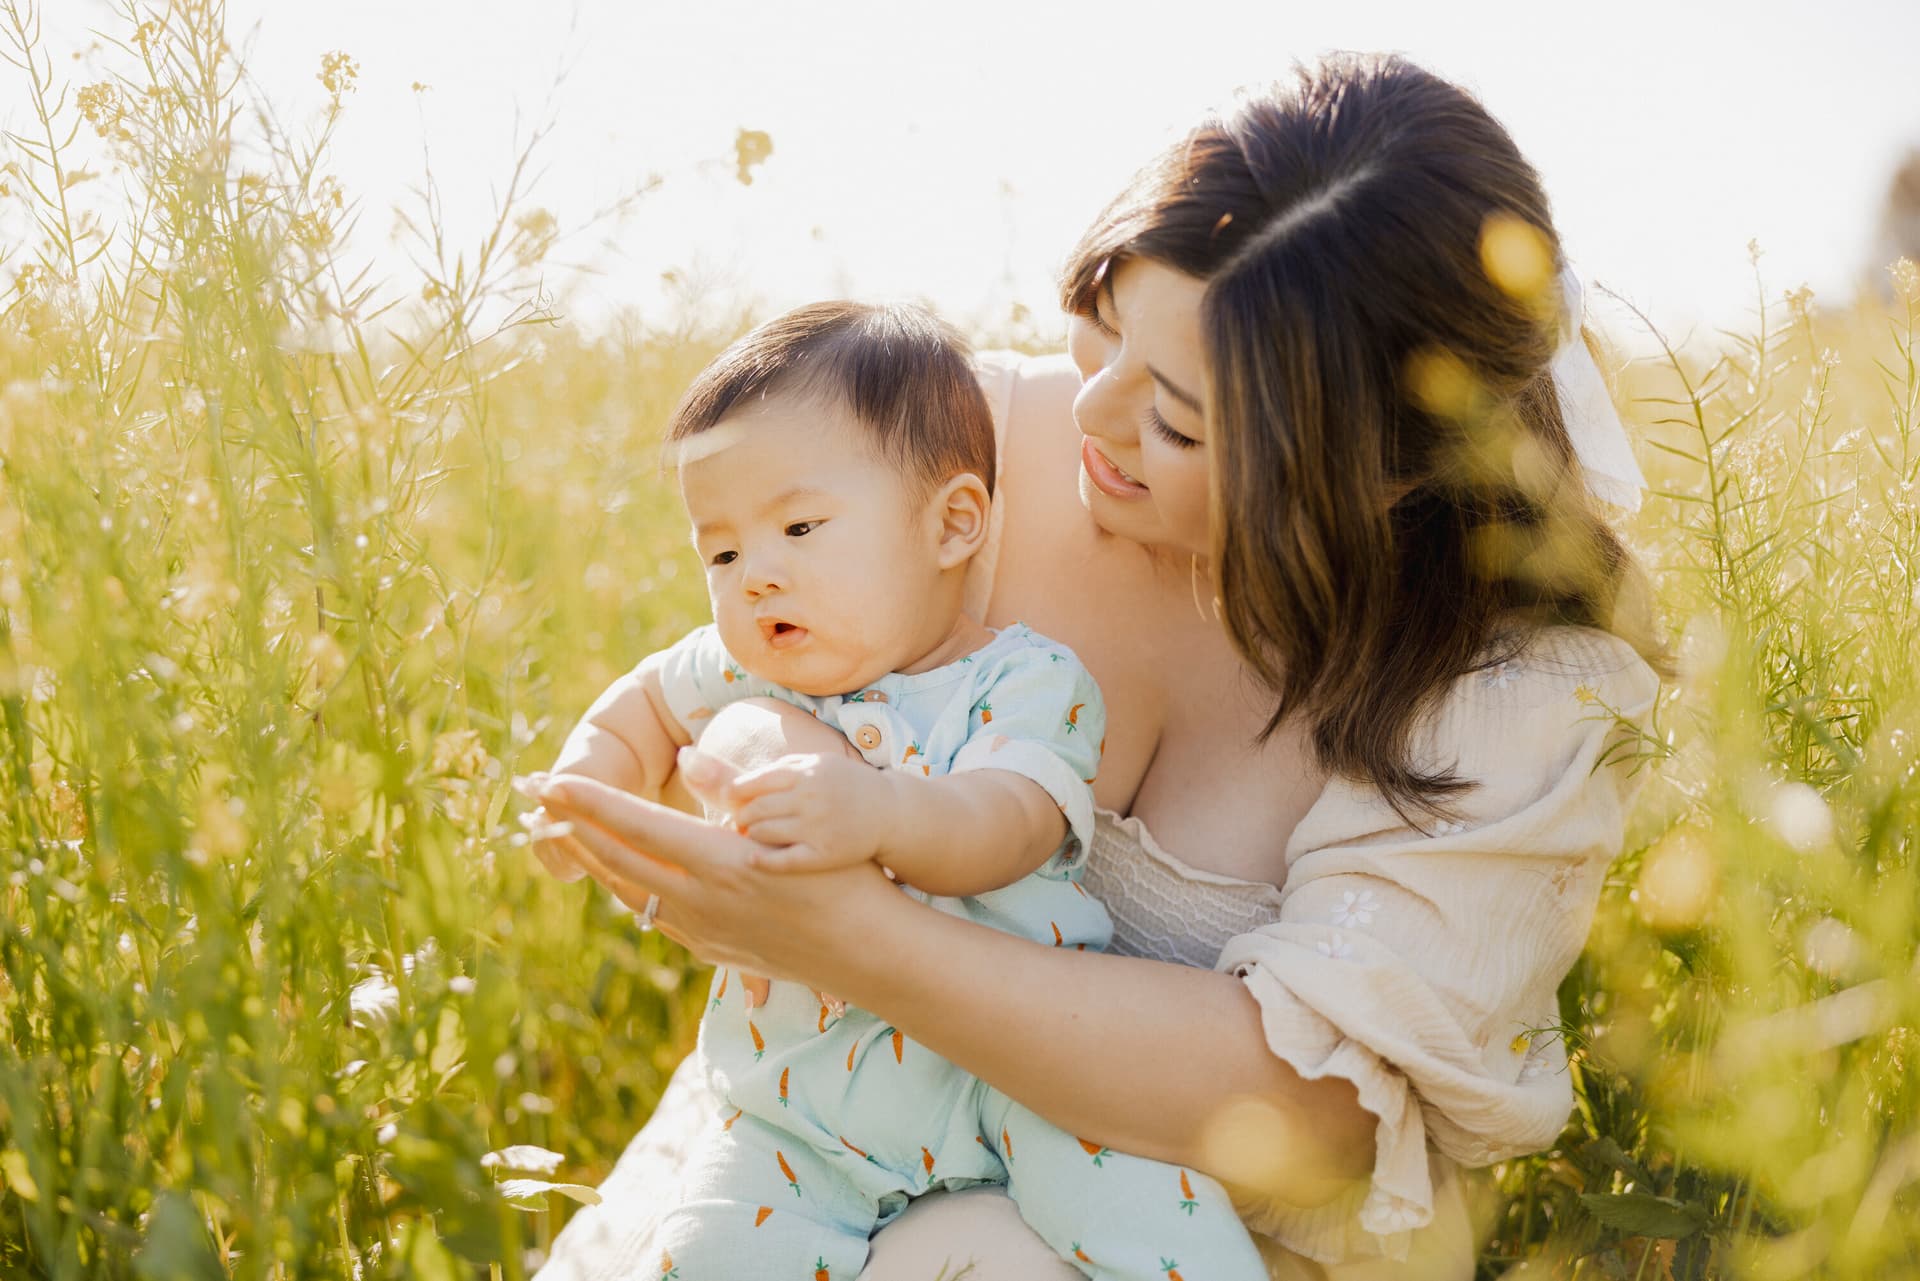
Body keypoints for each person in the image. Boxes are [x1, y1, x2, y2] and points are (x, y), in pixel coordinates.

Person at [526, 52, 1663, 1281]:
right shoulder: (972, 453)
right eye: (1106, 324)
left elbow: (1311, 1112)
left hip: (1184, 1235)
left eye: (1176, 420)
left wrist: (852, 934)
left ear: (1378, 473)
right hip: (828, 1139)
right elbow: (748, 658)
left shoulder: (1505, 697)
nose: (1093, 414)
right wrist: (768, 772)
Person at [521, 298, 1267, 1280]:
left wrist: (880, 813)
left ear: (953, 524)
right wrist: (586, 781)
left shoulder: (1022, 678)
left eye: (798, 526)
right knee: (699, 1246)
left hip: (1011, 1082)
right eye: (723, 552)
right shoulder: (754, 668)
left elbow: (1013, 821)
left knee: (1152, 1219)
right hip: (797, 1107)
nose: (756, 577)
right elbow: (645, 702)